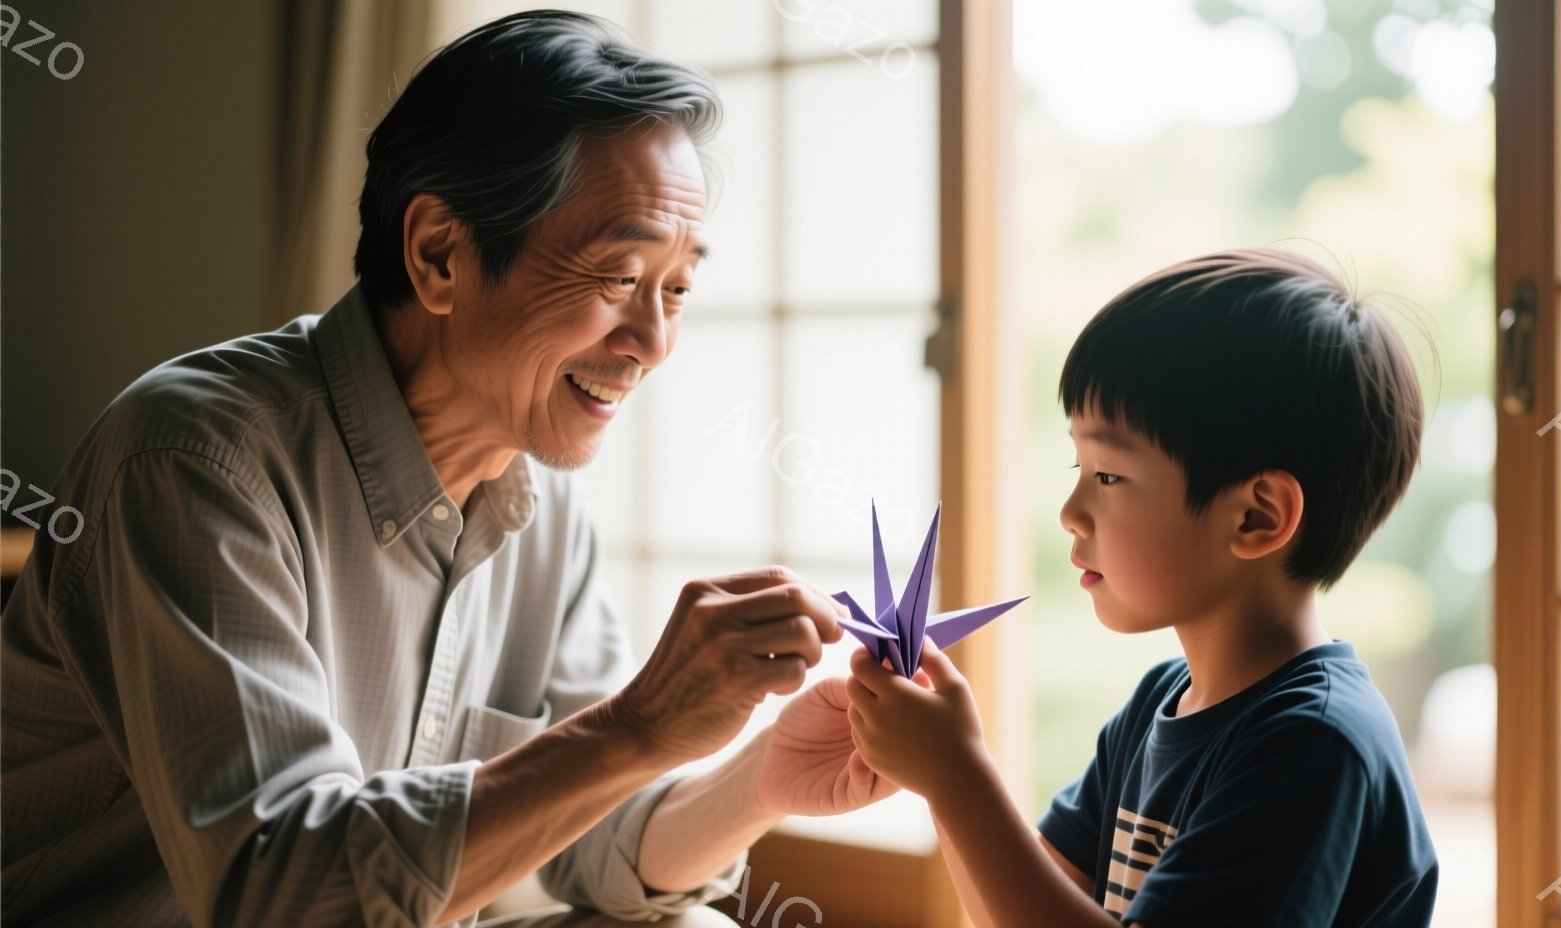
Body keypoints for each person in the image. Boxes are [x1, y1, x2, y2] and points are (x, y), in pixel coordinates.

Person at [2, 11, 894, 927]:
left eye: (676, 291)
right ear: (438, 254)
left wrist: (763, 777)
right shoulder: (197, 460)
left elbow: (593, 837)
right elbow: (281, 895)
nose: (652, 344)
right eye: (619, 278)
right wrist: (636, 725)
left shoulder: (542, 509)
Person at [847, 248, 1440, 927]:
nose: (1070, 511)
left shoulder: (1314, 746)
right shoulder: (1160, 703)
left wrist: (956, 775)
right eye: (1080, 463)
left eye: (1107, 475)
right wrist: (938, 774)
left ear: (1257, 516)